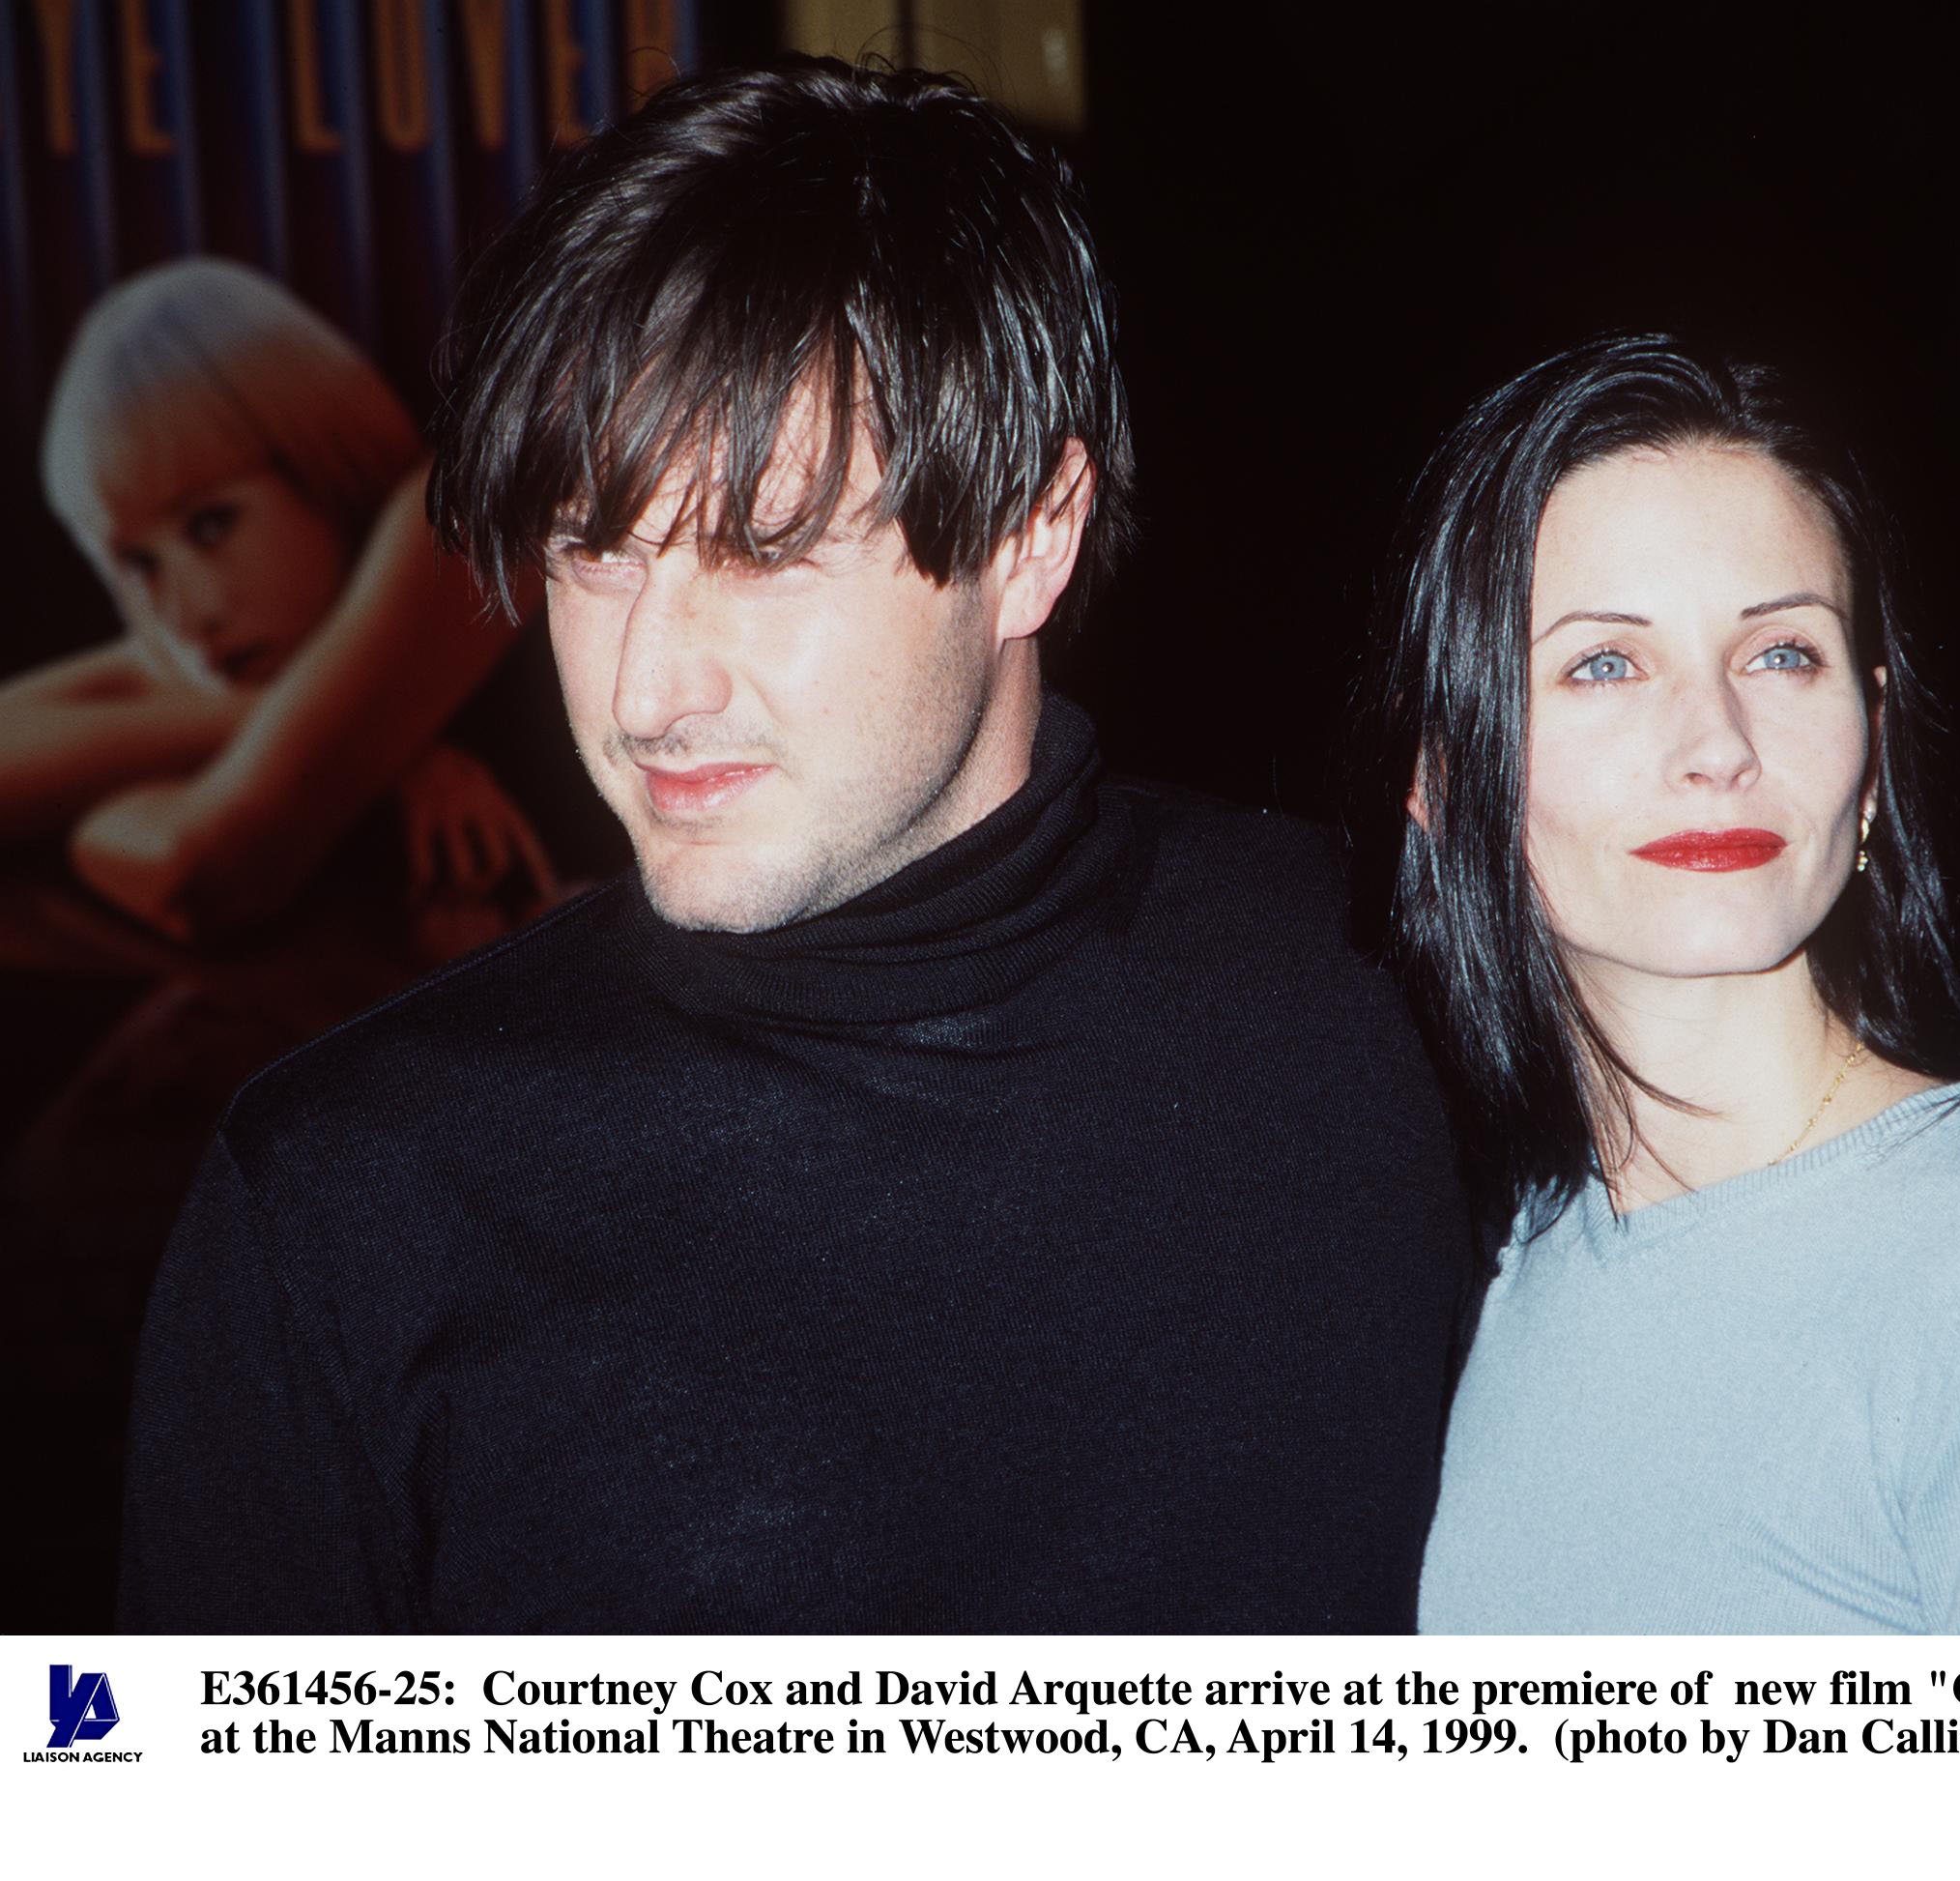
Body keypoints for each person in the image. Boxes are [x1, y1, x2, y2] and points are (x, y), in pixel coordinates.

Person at [117, 57, 1474, 1634]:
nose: (645, 690)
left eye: (761, 550)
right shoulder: (348, 1193)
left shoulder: (1393, 990)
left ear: (1032, 534)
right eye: (589, 550)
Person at [1372, 336, 1960, 1633]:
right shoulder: (1512, 1254)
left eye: (1780, 652)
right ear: (1442, 783)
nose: (1716, 743)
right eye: (1604, 663)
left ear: (1874, 743)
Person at [12, 256, 552, 947]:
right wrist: (390, 760)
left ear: (318, 460)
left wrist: (89, 813)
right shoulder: (213, 647)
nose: (189, 614)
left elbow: (192, 870)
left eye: (212, 525)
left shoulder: (459, 523)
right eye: (137, 564)